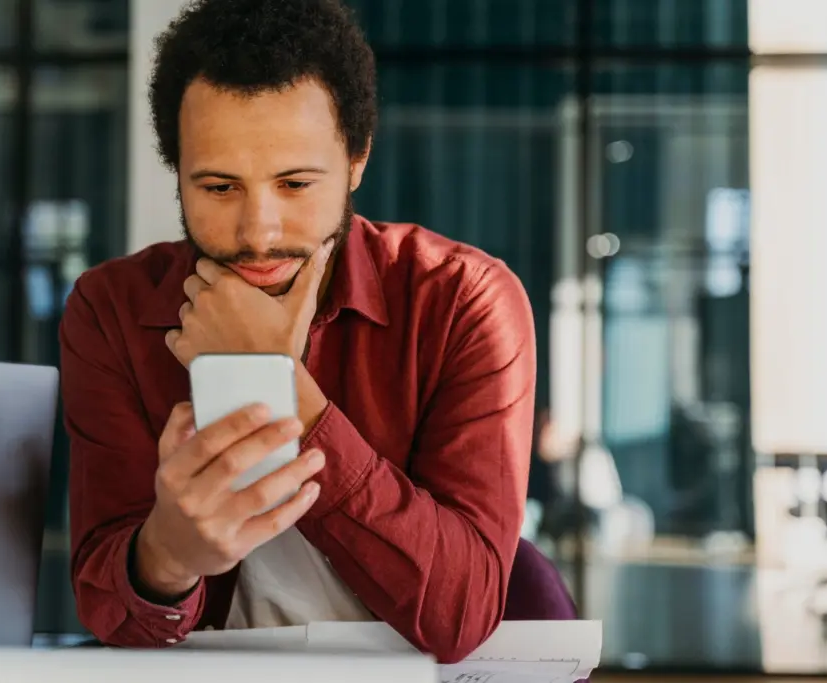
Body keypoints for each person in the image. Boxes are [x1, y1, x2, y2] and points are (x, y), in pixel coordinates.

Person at [59, 0, 536, 664]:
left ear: (356, 160)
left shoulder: (462, 300)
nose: (260, 231)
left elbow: (460, 612)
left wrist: (278, 378)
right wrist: (168, 554)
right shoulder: (111, 309)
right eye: (220, 187)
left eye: (294, 183)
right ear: (178, 171)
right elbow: (111, 612)